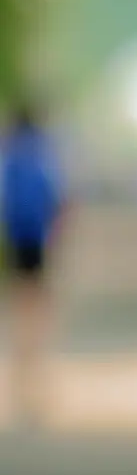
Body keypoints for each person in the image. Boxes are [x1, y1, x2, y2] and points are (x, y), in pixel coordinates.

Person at [1, 104, 65, 430]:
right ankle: (36, 358)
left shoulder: (9, 155)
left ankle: (21, 360)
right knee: (38, 301)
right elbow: (55, 196)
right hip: (37, 240)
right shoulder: (41, 152)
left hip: (15, 239)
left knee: (18, 299)